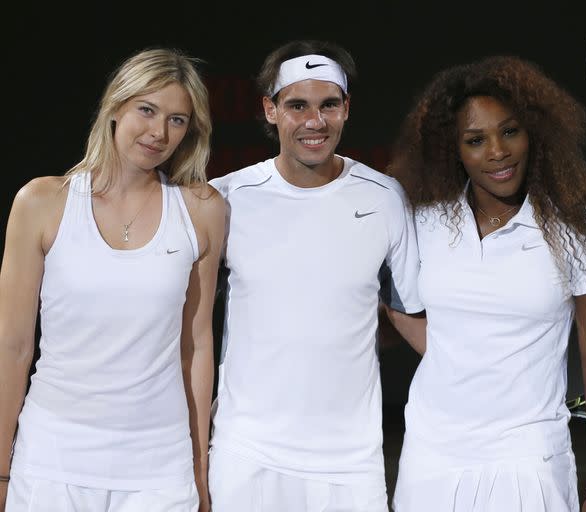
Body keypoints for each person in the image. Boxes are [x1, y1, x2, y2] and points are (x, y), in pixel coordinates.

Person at [385, 55, 586, 512]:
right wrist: (459, 354)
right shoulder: (423, 224)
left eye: (510, 131)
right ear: (452, 148)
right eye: (476, 140)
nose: (498, 151)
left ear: (535, 132)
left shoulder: (575, 231)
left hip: (529, 460)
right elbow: (397, 304)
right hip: (431, 458)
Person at [0, 48, 225, 511]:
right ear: (115, 107)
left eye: (178, 120)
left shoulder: (203, 210)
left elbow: (197, 345)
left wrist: (199, 471)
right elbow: (13, 345)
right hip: (52, 459)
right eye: (147, 110)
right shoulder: (42, 201)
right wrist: (1, 467)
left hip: (159, 467)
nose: (159, 132)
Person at [207, 40, 422, 511]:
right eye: (296, 105)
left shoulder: (386, 197)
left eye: (328, 105)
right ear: (270, 109)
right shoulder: (225, 198)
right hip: (246, 453)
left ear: (347, 108)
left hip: (351, 462)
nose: (314, 122)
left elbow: (409, 313)